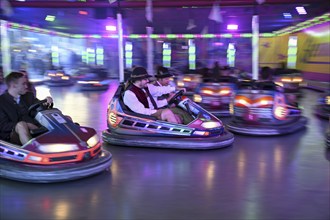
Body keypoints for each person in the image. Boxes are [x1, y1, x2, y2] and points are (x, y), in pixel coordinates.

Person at [0, 71, 53, 145]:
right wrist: (27, 125)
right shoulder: (2, 101)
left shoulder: (29, 96)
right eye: (23, 84)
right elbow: (3, 125)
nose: (26, 86)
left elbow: (38, 107)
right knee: (21, 125)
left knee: (65, 118)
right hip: (12, 136)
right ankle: (33, 152)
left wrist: (46, 102)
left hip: (35, 128)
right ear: (14, 85)